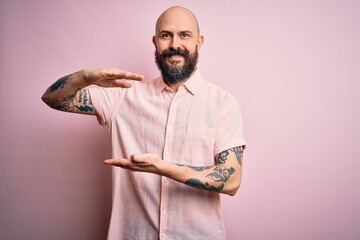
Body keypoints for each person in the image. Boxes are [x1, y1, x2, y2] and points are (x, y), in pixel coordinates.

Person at [42, 6, 246, 240]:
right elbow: (53, 98)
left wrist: (164, 168)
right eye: (166, 35)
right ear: (155, 41)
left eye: (185, 35)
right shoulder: (125, 96)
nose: (174, 44)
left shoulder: (222, 103)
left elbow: (231, 180)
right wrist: (87, 76)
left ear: (199, 42)